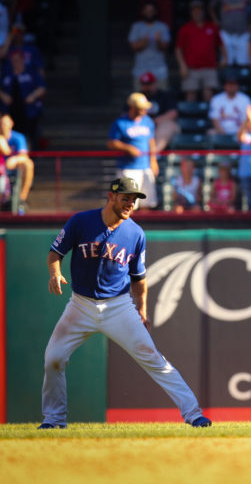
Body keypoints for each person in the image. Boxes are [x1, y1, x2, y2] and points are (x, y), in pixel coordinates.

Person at [39, 177, 211, 429]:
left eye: (134, 199)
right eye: (126, 198)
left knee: (154, 358)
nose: (131, 203)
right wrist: (55, 273)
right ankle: (54, 420)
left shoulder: (135, 233)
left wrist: (141, 309)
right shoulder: (81, 221)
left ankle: (194, 414)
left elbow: (139, 278)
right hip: (80, 304)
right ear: (111, 197)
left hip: (118, 307)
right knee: (53, 359)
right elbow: (55, 253)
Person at [107, 93, 158, 209]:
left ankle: (145, 227)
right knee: (127, 205)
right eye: (142, 108)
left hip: (145, 167)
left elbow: (151, 141)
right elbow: (111, 143)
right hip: (128, 168)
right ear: (133, 108)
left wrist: (153, 161)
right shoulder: (120, 122)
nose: (145, 110)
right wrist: (128, 148)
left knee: (147, 203)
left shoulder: (148, 121)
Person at [175, 0, 226, 102]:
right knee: (190, 95)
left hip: (209, 67)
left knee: (209, 95)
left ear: (204, 11)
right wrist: (182, 65)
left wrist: (225, 58)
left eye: (199, 9)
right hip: (191, 68)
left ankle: (210, 118)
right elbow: (178, 49)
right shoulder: (185, 29)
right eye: (194, 10)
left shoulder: (212, 27)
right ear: (191, 12)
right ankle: (190, 117)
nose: (197, 12)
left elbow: (220, 44)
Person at [0, 51, 45, 148]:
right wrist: (3, 95)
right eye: (13, 60)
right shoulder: (6, 73)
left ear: (23, 60)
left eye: (18, 60)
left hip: (29, 112)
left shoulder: (31, 72)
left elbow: (42, 88)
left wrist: (33, 96)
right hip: (9, 112)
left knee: (31, 136)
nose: (16, 62)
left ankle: (32, 157)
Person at [209, 0, 251, 67]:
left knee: (243, 62)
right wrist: (215, 20)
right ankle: (227, 81)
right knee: (226, 61)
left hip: (243, 32)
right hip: (226, 32)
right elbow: (211, 7)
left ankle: (242, 81)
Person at [128, 0, 171, 91]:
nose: (149, 13)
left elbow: (165, 47)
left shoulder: (162, 27)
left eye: (151, 10)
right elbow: (133, 47)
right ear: (143, 11)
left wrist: (158, 41)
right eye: (147, 10)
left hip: (159, 71)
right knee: (139, 101)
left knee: (161, 99)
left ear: (155, 12)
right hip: (140, 70)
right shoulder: (137, 27)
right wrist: (144, 42)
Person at [138, 72, 178, 152]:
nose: (147, 87)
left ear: (155, 83)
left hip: (159, 124)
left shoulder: (164, 96)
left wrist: (153, 121)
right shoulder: (137, 98)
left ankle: (154, 154)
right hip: (141, 125)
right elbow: (126, 115)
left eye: (149, 84)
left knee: (167, 126)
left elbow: (173, 113)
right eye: (144, 84)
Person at [0, 114, 34, 209]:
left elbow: (23, 156)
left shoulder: (18, 137)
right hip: (1, 170)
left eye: (6, 123)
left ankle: (21, 200)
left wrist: (13, 160)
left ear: (11, 124)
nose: (3, 126)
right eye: (1, 123)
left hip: (11, 168)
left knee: (28, 164)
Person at [208, 71, 251, 135]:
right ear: (225, 85)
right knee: (211, 133)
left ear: (238, 86)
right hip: (221, 131)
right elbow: (214, 119)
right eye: (229, 84)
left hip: (241, 131)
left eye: (234, 84)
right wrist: (223, 134)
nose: (231, 86)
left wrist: (240, 133)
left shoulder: (245, 99)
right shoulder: (216, 99)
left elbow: (248, 119)